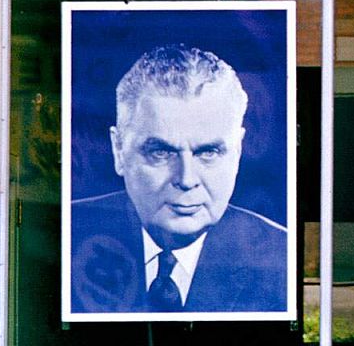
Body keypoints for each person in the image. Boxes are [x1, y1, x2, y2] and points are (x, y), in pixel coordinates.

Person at [70, 44, 287, 314]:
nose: (186, 179)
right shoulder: (66, 237)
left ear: (238, 152)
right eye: (161, 152)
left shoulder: (280, 260)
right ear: (119, 150)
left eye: (208, 152)